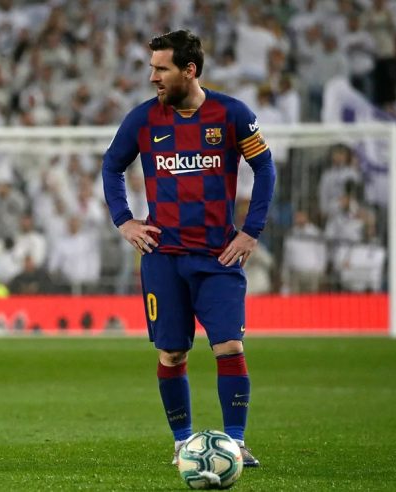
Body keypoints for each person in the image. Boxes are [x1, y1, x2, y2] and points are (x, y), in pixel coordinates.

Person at [102, 30, 276, 468]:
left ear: (189, 70)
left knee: (229, 347)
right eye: (152, 68)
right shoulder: (143, 120)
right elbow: (111, 165)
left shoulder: (232, 114)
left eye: (161, 69)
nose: (153, 77)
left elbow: (265, 167)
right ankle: (183, 444)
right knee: (172, 353)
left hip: (218, 257)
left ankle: (235, 443)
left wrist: (251, 231)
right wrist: (124, 220)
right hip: (163, 258)